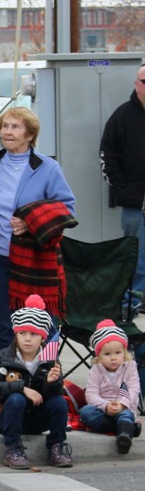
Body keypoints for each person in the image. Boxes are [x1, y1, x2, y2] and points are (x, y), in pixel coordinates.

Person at [0, 107, 76, 349]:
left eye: (15, 127)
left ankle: (46, 377)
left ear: (30, 134)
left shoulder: (47, 167)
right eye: (5, 126)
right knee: (6, 324)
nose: (8, 132)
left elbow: (67, 209)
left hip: (36, 259)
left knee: (43, 324)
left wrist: (30, 222)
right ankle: (10, 380)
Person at [0, 294, 72, 469]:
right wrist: (22, 388)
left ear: (43, 338)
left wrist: (51, 383)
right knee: (16, 398)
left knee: (60, 402)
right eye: (22, 333)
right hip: (8, 417)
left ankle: (56, 447)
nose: (27, 339)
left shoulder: (49, 358)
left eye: (33, 334)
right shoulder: (5, 355)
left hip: (38, 419)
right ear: (15, 335)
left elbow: (53, 395)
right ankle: (12, 449)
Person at [101, 64, 145, 316]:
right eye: (144, 81)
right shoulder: (122, 116)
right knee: (135, 260)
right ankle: (131, 309)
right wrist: (122, 188)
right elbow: (108, 154)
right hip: (135, 205)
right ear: (136, 84)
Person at [79, 320, 142, 454]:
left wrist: (121, 404)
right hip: (102, 410)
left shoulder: (130, 367)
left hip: (124, 407)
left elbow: (134, 389)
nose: (113, 358)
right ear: (99, 356)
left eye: (118, 353)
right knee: (85, 412)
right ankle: (126, 429)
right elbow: (91, 395)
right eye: (107, 354)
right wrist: (106, 405)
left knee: (125, 415)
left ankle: (124, 437)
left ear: (124, 352)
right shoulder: (95, 370)